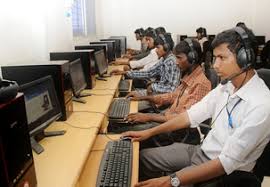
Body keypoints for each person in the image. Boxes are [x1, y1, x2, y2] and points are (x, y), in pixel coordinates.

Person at [122, 26, 270, 187]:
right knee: (143, 157)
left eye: (222, 58)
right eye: (215, 58)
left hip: (223, 174)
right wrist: (148, 132)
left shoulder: (261, 104)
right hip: (202, 150)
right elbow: (190, 116)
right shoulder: (227, 86)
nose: (215, 65)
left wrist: (170, 181)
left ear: (244, 58)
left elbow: (224, 163)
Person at [112, 33, 181, 96]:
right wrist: (125, 73)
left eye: (158, 47)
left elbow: (171, 90)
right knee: (130, 94)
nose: (156, 50)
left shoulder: (171, 62)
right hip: (157, 92)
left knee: (129, 98)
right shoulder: (164, 59)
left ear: (166, 47)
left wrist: (152, 87)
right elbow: (149, 72)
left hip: (160, 98)